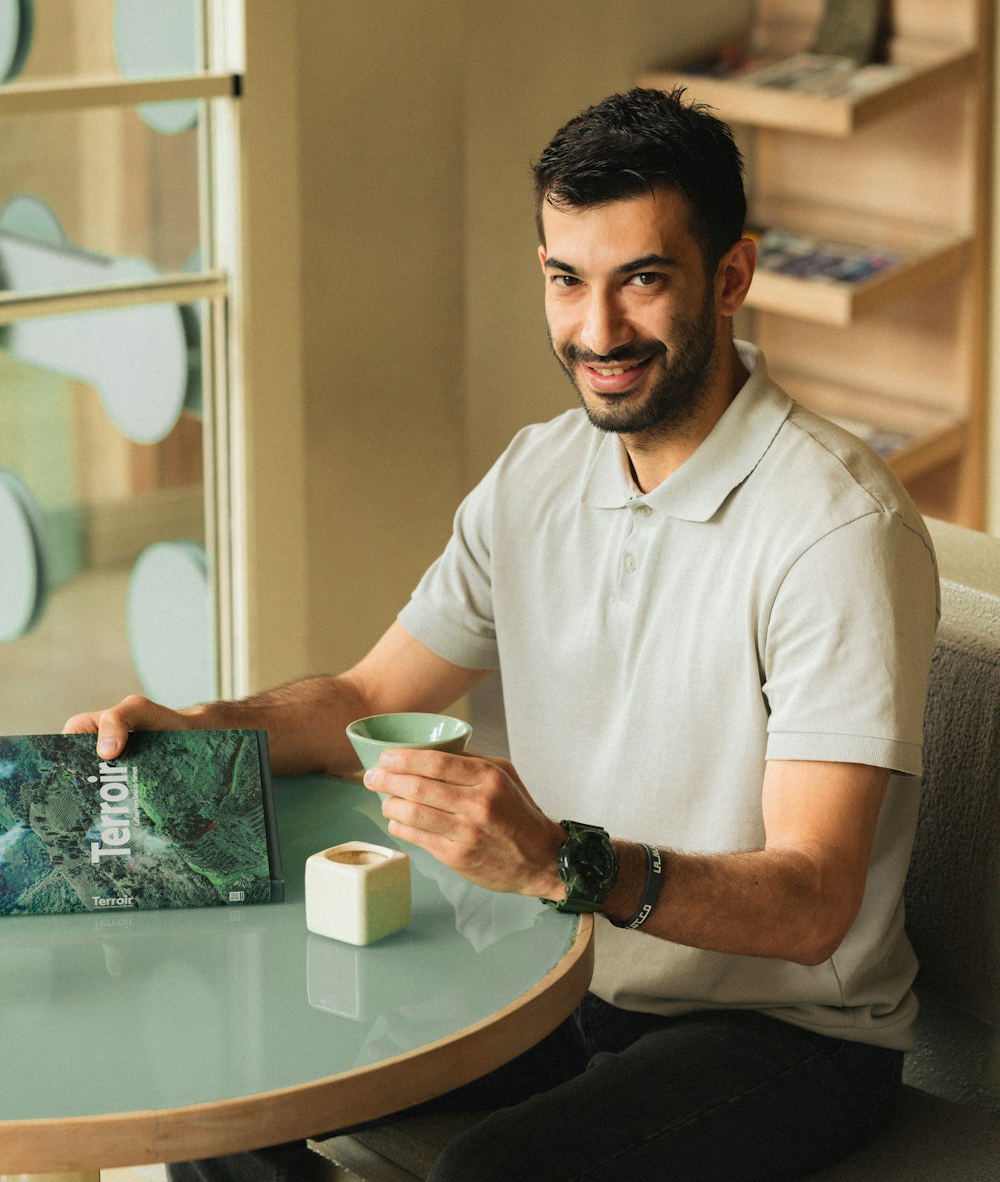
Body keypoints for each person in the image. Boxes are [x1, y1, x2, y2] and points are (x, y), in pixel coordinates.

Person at [66, 86, 939, 1182]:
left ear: (731, 276)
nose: (597, 329)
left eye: (643, 280)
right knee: (231, 1092)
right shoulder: (534, 476)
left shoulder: (835, 530)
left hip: (786, 1034)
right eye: (567, 280)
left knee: (491, 1173)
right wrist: (197, 725)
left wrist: (558, 860)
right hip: (556, 978)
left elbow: (813, 901)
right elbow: (365, 698)